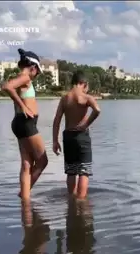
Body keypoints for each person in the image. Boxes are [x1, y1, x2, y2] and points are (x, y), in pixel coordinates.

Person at [1, 48, 48, 200]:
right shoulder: (25, 77)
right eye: (38, 71)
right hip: (26, 123)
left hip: (19, 123)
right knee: (42, 161)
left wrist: (21, 105)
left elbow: (8, 86)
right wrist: (22, 105)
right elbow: (6, 86)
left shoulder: (22, 78)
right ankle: (24, 193)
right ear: (33, 68)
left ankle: (25, 201)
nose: (38, 74)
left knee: (27, 165)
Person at [52, 71, 101, 199]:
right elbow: (97, 110)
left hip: (68, 137)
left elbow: (56, 121)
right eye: (87, 86)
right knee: (84, 171)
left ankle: (72, 200)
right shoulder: (86, 97)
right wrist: (86, 124)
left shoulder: (64, 98)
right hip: (82, 136)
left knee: (71, 171)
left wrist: (55, 141)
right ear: (83, 84)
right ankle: (81, 201)